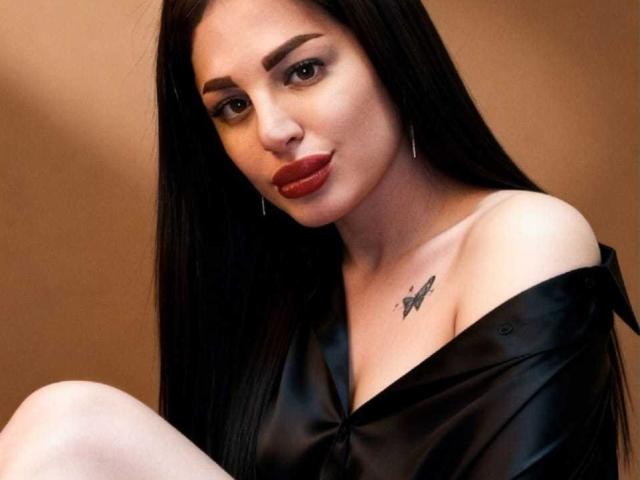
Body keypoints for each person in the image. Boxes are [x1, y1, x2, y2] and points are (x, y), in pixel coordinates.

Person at [0, 0, 637, 479]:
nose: (272, 130)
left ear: (389, 52)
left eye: (302, 71)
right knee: (71, 427)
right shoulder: (268, 298)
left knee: (71, 423)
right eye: (233, 107)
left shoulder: (521, 238)